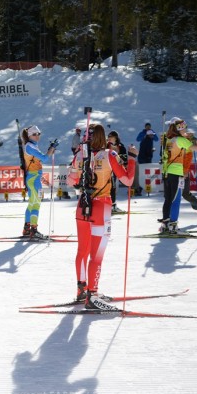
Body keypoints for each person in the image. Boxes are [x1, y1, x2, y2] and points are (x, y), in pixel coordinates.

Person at [67, 123, 137, 310]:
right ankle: (93, 294)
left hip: (83, 207)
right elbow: (128, 180)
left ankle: (82, 290)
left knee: (82, 251)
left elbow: (70, 180)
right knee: (96, 255)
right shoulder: (109, 155)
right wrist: (132, 158)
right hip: (101, 208)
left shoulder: (80, 155)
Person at [159, 118, 197, 234]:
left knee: (168, 199)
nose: (186, 131)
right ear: (180, 130)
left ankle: (165, 224)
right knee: (175, 200)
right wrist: (194, 139)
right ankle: (173, 225)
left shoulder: (169, 140)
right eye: (184, 129)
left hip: (166, 173)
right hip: (176, 173)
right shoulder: (180, 140)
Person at [21, 125, 56, 239]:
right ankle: (33, 230)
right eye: (35, 134)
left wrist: (51, 149)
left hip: (33, 177)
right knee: (36, 204)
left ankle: (27, 228)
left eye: (38, 134)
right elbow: (45, 158)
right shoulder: (30, 146)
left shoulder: (32, 146)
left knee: (32, 203)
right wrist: (51, 149)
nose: (37, 136)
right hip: (34, 178)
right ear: (29, 135)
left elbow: (41, 157)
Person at [181, 133, 197, 222]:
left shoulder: (187, 147)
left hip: (183, 173)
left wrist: (194, 140)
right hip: (176, 172)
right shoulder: (179, 143)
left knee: (185, 194)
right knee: (173, 195)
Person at [107, 131, 128, 214]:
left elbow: (125, 159)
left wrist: (119, 158)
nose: (109, 138)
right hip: (107, 168)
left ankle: (113, 205)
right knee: (108, 186)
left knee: (113, 186)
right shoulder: (106, 145)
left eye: (111, 136)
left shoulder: (121, 147)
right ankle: (109, 204)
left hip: (116, 169)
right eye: (108, 136)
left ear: (115, 137)